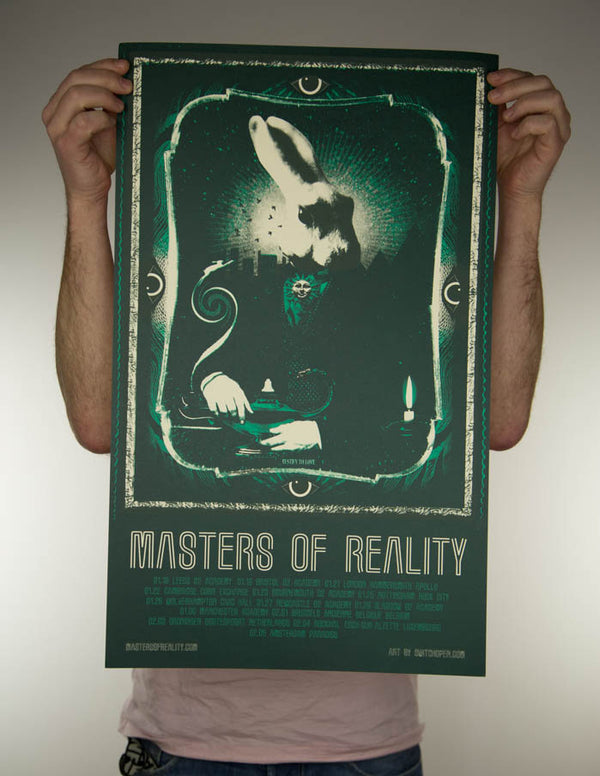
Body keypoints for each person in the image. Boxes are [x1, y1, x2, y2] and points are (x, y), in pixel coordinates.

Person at [43, 58, 570, 775]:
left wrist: (519, 197)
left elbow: (494, 420)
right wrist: (86, 198)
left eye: (325, 224)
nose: (311, 251)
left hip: (366, 751)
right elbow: (102, 420)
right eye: (301, 223)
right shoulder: (258, 289)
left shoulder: (379, 307)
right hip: (183, 747)